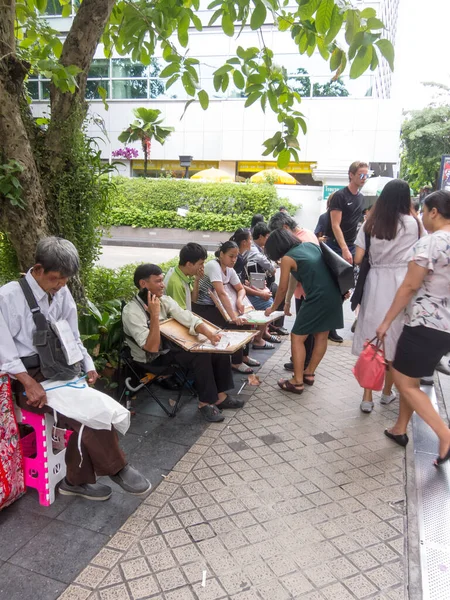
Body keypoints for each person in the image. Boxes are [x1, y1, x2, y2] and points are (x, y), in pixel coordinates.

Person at [0, 237, 150, 501]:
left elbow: (72, 335)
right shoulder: (7, 297)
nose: (60, 286)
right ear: (37, 269)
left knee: (100, 407)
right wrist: (27, 382)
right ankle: (117, 469)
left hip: (60, 370)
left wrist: (88, 364)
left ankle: (75, 481)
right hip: (27, 379)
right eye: (55, 279)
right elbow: (4, 352)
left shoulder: (62, 292)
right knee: (86, 415)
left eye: (65, 280)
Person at [376, 191, 450, 465]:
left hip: (424, 323)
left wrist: (385, 321)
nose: (420, 216)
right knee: (413, 378)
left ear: (433, 212)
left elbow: (409, 286)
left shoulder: (430, 243)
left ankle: (444, 434)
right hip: (445, 328)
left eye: (423, 210)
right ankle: (399, 428)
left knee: (404, 382)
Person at [122, 264, 244, 423]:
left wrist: (210, 334)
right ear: (143, 284)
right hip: (151, 357)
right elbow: (151, 348)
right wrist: (154, 315)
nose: (163, 284)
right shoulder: (131, 312)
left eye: (162, 280)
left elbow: (187, 317)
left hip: (171, 347)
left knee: (215, 347)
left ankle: (220, 397)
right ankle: (205, 403)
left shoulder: (164, 300)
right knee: (200, 356)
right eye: (158, 281)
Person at [353, 179, 423, 413]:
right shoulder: (414, 224)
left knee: (373, 338)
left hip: (376, 282)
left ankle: (366, 397)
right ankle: (386, 393)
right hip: (403, 282)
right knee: (395, 337)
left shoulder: (370, 223)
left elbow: (358, 259)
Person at [264, 229, 344, 394]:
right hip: (334, 295)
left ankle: (297, 382)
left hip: (316, 298)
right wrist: (286, 303)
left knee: (297, 337)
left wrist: (272, 308)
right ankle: (309, 374)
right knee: (321, 336)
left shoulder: (287, 258)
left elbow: (282, 287)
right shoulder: (310, 246)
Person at [192, 241, 260, 373]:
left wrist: (239, 301)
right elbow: (222, 293)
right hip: (204, 308)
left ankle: (243, 356)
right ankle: (236, 362)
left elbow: (240, 289)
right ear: (221, 254)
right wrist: (233, 317)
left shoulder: (229, 269)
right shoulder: (213, 266)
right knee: (236, 324)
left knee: (245, 322)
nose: (234, 260)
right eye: (231, 256)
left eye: (236, 256)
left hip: (220, 307)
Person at [325, 161, 369, 342]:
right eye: (361, 174)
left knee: (344, 290)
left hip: (351, 246)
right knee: (333, 288)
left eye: (366, 174)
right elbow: (335, 224)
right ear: (351, 175)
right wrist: (344, 248)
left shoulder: (361, 198)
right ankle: (328, 327)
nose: (364, 178)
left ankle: (330, 325)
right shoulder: (339, 196)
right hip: (336, 246)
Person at [268, 211, 318, 369]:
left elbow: (288, 281)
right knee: (313, 334)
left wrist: (276, 306)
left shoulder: (298, 243)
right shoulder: (308, 233)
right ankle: (306, 368)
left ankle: (300, 368)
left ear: (285, 227)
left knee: (300, 334)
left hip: (306, 292)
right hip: (314, 291)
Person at [230, 228, 278, 348]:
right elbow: (237, 285)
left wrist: (254, 286)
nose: (251, 241)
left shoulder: (241, 256)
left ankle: (263, 333)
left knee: (267, 296)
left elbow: (239, 282)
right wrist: (260, 293)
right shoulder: (238, 259)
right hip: (235, 295)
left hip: (239, 291)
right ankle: (258, 339)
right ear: (244, 242)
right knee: (268, 304)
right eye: (250, 239)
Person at [247, 222, 289, 336]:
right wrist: (272, 268)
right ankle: (266, 331)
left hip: (261, 283)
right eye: (267, 236)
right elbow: (262, 260)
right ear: (260, 237)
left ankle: (276, 326)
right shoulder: (252, 249)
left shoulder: (260, 248)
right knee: (274, 295)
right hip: (254, 285)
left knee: (279, 292)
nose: (268, 239)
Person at [164, 242, 208, 311]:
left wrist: (197, 280)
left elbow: (193, 299)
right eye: (201, 264)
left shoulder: (181, 273)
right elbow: (181, 314)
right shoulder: (176, 283)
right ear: (189, 264)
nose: (203, 267)